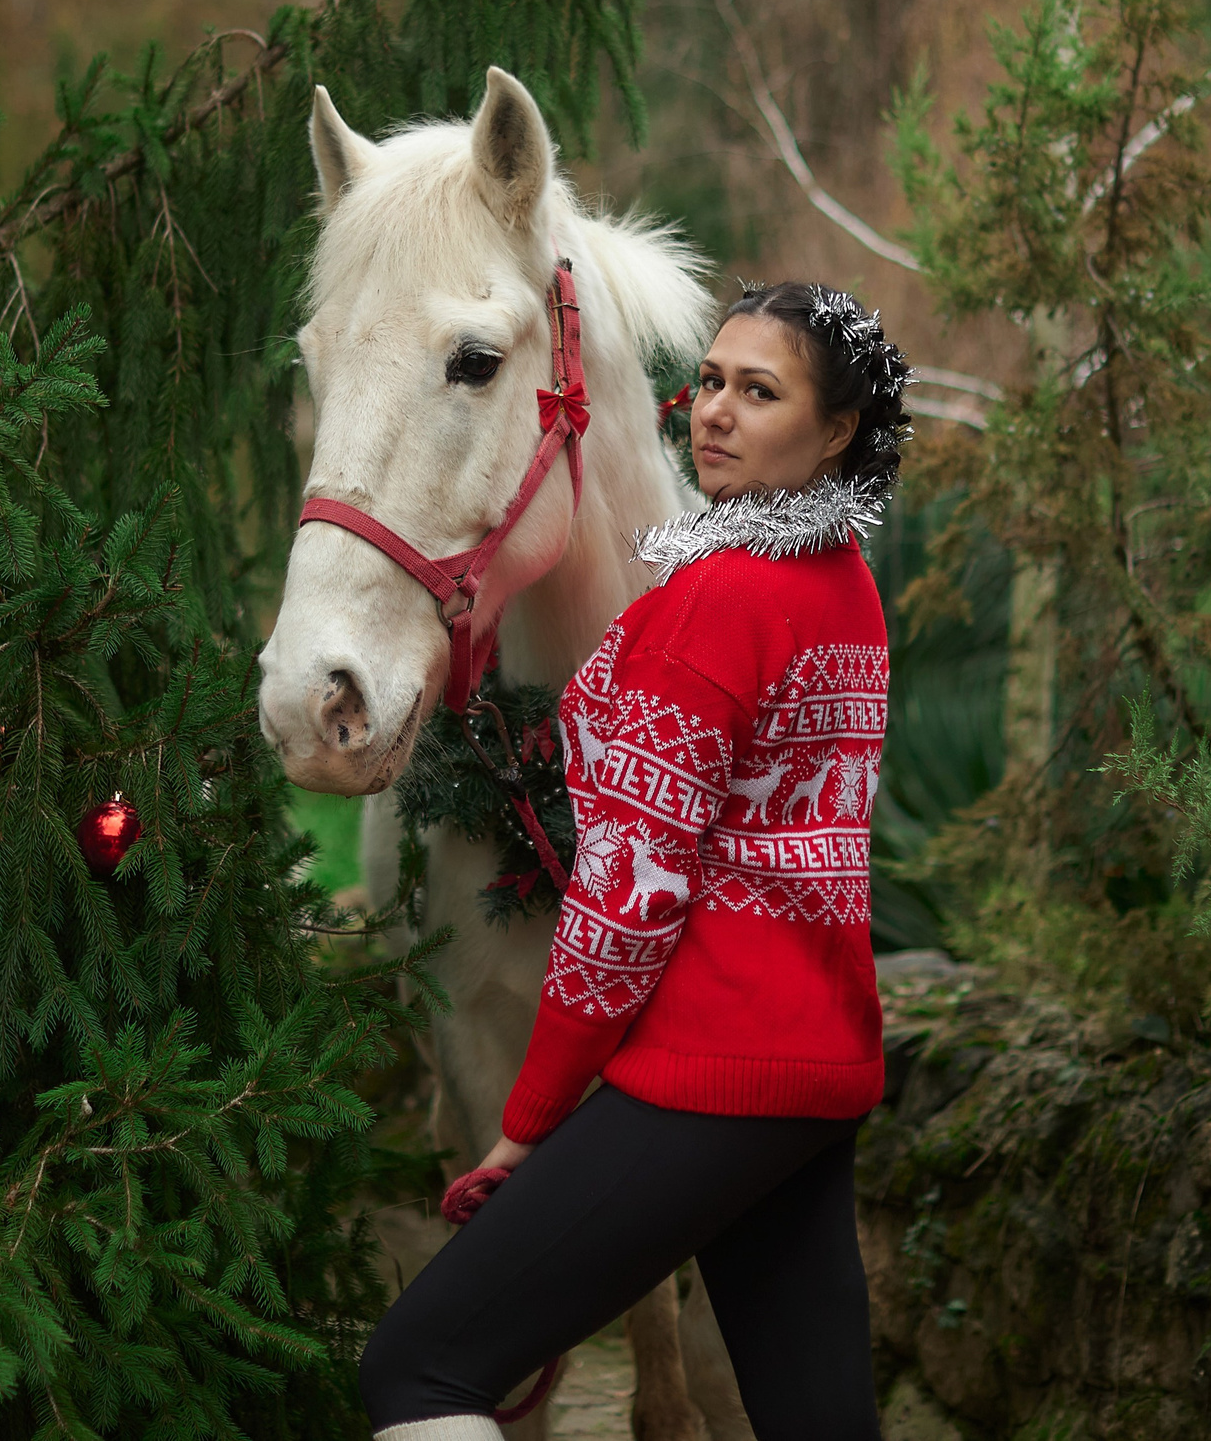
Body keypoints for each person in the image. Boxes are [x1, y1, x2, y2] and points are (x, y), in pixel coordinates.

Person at [360, 281, 912, 1441]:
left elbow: (629, 900)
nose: (712, 410)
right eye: (709, 380)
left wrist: (532, 1114)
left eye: (757, 392)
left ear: (837, 429)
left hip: (708, 1073)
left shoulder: (711, 601)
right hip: (816, 1068)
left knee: (418, 1370)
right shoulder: (845, 586)